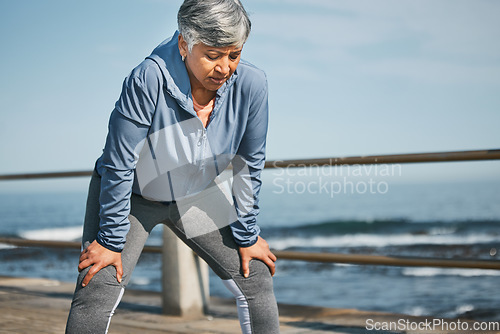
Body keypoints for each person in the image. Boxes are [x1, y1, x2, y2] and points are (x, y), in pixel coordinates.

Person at [65, 0, 280, 333]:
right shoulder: (148, 77)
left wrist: (247, 235)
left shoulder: (252, 84)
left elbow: (248, 164)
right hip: (133, 194)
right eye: (212, 55)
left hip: (194, 194)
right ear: (185, 44)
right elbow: (120, 161)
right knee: (98, 283)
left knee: (256, 276)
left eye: (233, 55)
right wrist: (109, 242)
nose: (224, 68)